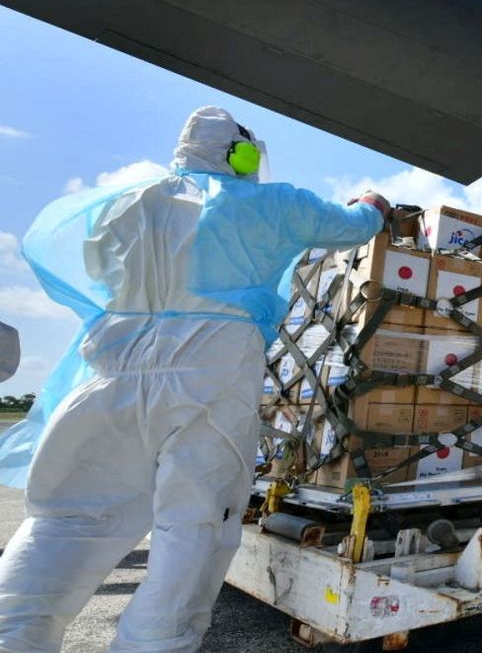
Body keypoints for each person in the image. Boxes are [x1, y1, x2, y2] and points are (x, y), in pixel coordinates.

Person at [0, 106, 388, 652]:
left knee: (64, 525)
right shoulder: (272, 205)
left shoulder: (124, 206)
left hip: (109, 375)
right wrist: (374, 203)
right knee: (192, 532)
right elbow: (353, 227)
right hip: (208, 380)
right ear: (243, 154)